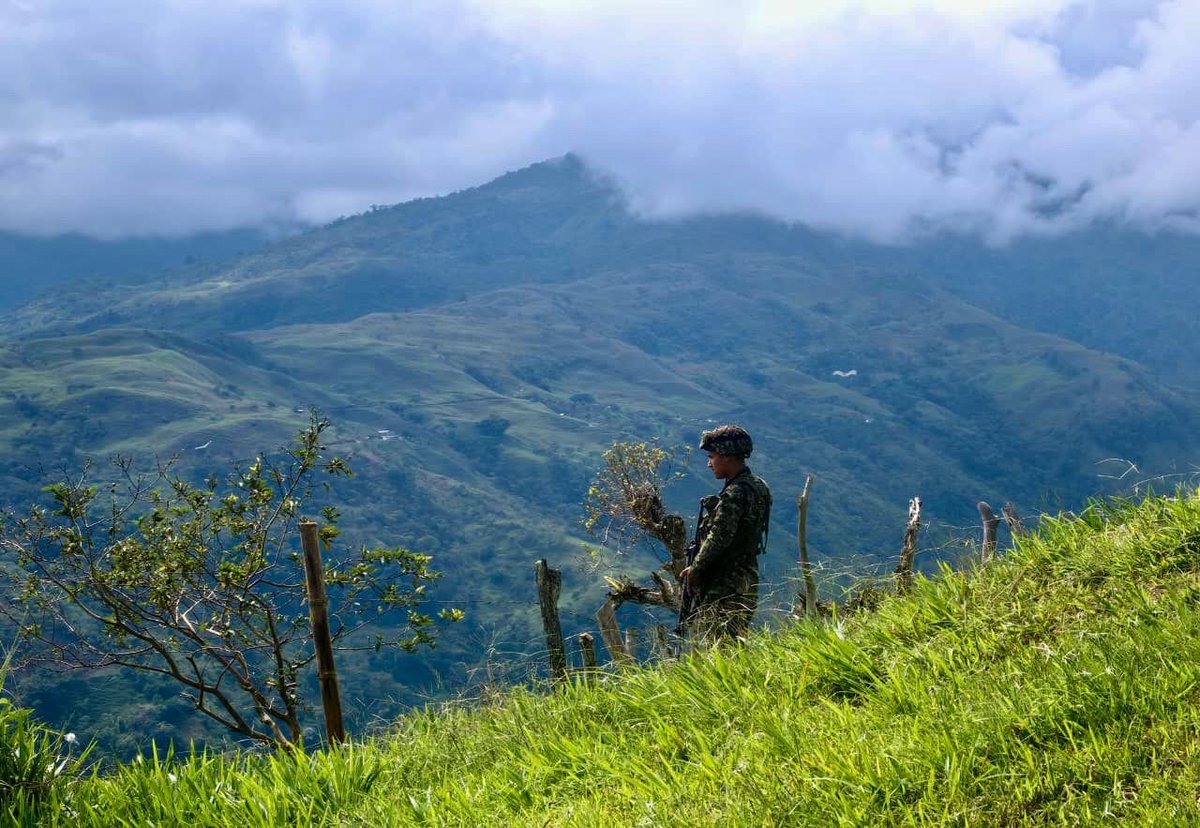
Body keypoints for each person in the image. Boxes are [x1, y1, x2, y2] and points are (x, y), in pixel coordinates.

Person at [680, 424, 772, 643]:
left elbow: (719, 537)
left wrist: (697, 568)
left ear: (728, 457)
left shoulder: (735, 493)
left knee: (721, 646)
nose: (709, 463)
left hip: (725, 581)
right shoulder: (759, 486)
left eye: (712, 456)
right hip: (746, 576)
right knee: (735, 640)